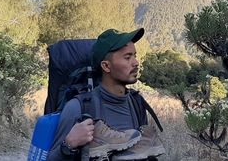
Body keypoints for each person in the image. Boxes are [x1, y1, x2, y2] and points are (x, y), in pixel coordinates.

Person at [47, 28, 165, 161]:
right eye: (127, 57)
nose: (136, 63)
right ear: (106, 66)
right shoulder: (79, 107)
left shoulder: (137, 103)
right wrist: (68, 144)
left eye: (135, 56)